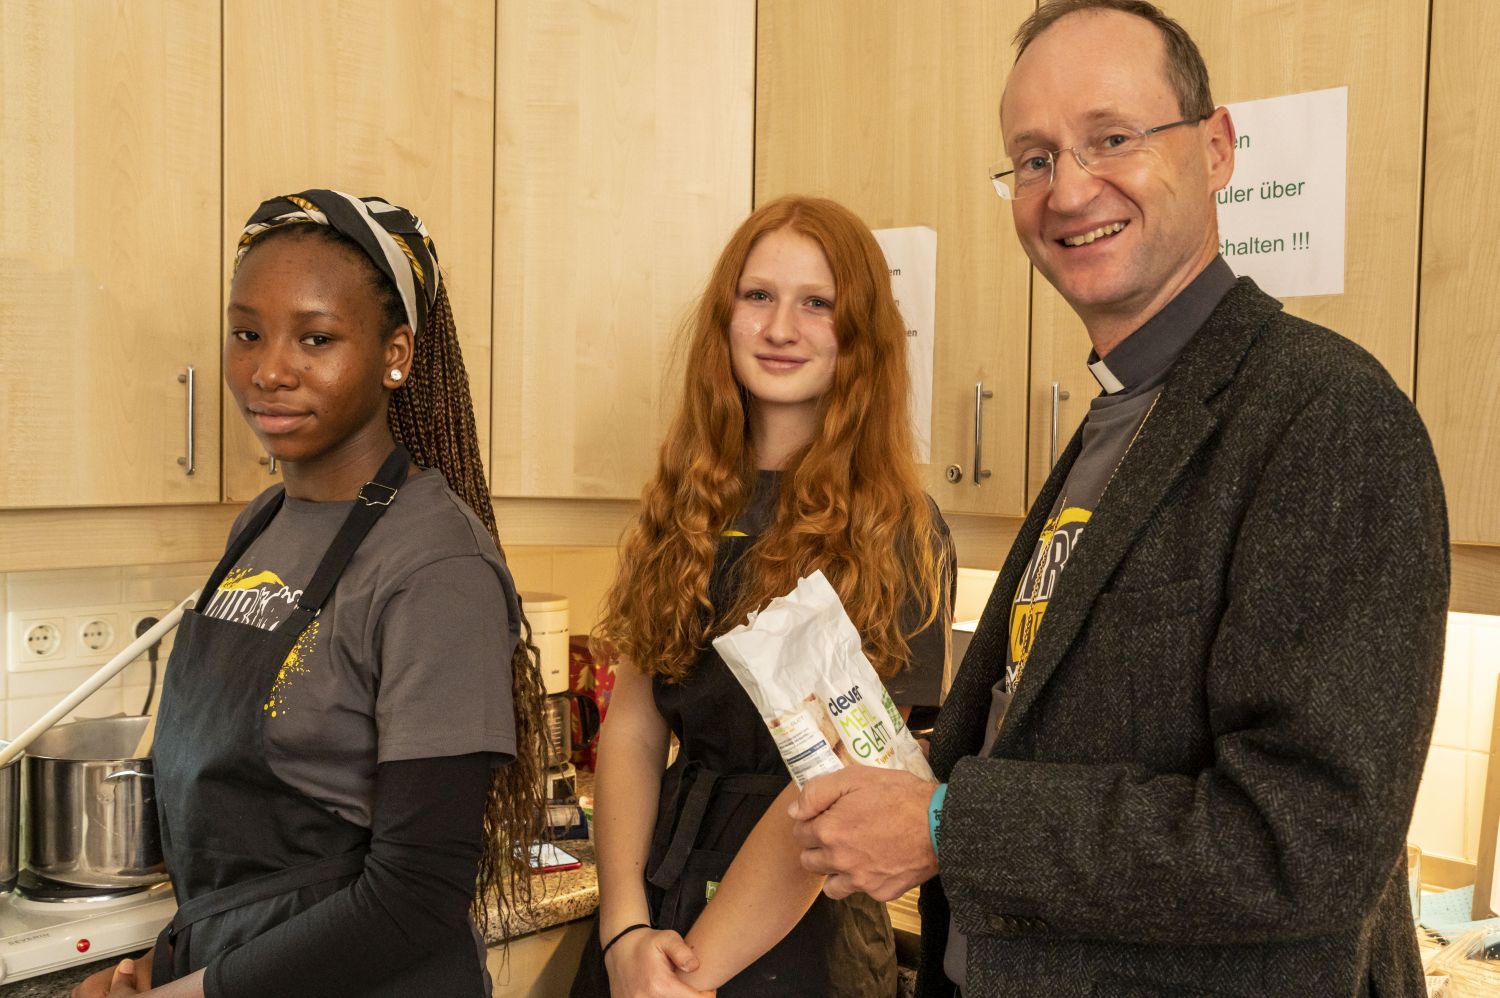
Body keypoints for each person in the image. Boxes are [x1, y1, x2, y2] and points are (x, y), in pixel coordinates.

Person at [788, 3, 1449, 996]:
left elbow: (1302, 842)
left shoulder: (1327, 417)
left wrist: (946, 824)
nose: (1067, 189)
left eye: (1112, 138)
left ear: (1217, 148)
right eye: (1034, 158)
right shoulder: (1121, 417)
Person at [73, 189, 546, 998]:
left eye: (316, 338)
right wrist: (161, 966)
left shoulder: (437, 568)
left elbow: (416, 894)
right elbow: (255, 864)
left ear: (396, 354)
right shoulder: (261, 524)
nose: (269, 371)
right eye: (247, 334)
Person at [569, 195, 955, 997]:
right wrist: (625, 930)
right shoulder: (683, 503)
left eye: (818, 304)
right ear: (725, 315)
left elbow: (837, 789)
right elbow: (634, 729)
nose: (781, 328)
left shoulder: (900, 530)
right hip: (659, 896)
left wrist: (690, 977)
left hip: (798, 921)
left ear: (861, 335)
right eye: (759, 296)